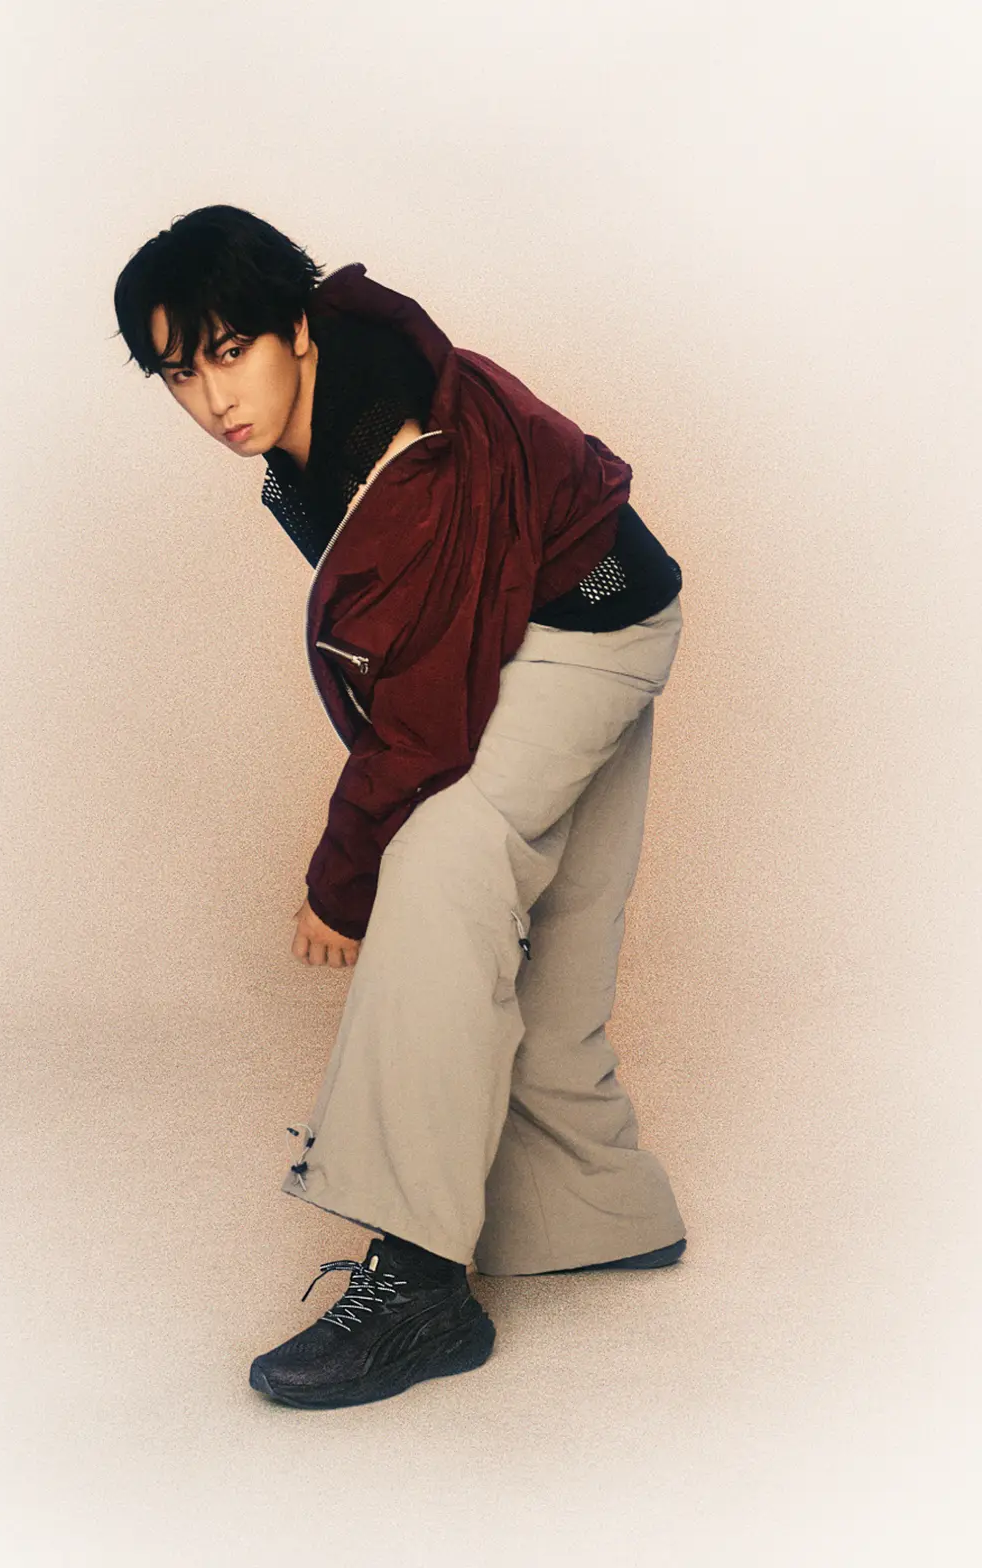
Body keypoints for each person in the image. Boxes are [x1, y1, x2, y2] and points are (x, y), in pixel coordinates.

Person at [112, 206, 688, 1411]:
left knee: (438, 869)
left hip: (579, 626)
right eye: (179, 373)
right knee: (553, 926)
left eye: (228, 351)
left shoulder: (402, 458)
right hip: (576, 599)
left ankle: (420, 1284)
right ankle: (594, 1211)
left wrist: (339, 885)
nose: (212, 398)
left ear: (295, 329)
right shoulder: (338, 387)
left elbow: (423, 724)